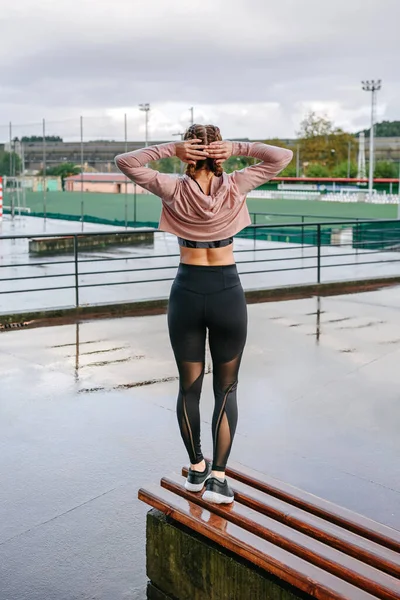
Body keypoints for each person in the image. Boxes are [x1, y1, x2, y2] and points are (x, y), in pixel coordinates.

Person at [115, 125, 292, 504]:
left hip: (187, 293)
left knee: (189, 388)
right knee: (226, 388)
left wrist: (172, 149)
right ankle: (219, 478)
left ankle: (196, 468)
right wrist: (240, 147)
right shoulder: (238, 185)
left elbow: (126, 161)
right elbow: (281, 156)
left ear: (189, 153)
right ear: (220, 153)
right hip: (227, 292)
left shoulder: (171, 188)